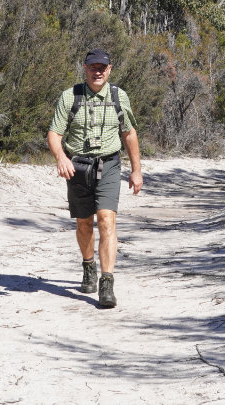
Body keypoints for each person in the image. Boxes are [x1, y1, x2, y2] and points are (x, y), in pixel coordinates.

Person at [47, 48, 143, 308]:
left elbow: (129, 134)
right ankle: (88, 266)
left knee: (106, 220)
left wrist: (136, 170)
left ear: (110, 69)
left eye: (103, 67)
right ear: (85, 68)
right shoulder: (70, 97)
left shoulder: (119, 97)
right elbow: (54, 134)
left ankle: (107, 283)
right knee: (84, 223)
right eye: (93, 67)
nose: (98, 71)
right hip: (77, 167)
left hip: (110, 165)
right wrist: (61, 158)